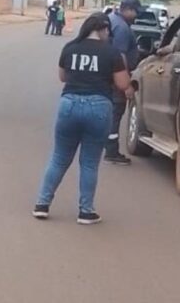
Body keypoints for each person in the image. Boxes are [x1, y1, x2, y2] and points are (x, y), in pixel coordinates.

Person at [33, 12, 131, 224]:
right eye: (108, 31)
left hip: (69, 104)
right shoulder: (112, 53)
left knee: (59, 158)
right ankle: (86, 211)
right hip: (98, 106)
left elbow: (62, 76)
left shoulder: (70, 47)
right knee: (89, 162)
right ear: (103, 29)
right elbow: (123, 84)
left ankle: (42, 204)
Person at [104, 0, 142, 165]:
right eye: (135, 11)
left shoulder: (112, 20)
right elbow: (120, 56)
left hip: (107, 76)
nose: (137, 15)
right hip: (116, 78)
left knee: (110, 112)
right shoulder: (121, 28)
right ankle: (111, 151)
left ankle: (107, 147)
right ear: (127, 9)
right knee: (116, 113)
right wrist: (125, 83)